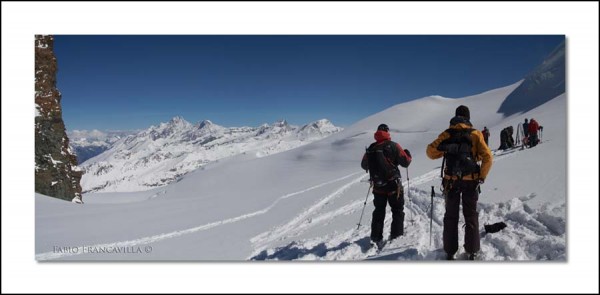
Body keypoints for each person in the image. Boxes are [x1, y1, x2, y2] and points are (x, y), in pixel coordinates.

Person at [426, 105, 492, 260]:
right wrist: (481, 176)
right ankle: (472, 250)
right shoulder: (475, 134)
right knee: (471, 215)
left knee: (450, 216)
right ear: (468, 118)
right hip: (471, 182)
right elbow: (488, 157)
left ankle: (450, 250)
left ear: (455, 117)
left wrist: (447, 147)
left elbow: (430, 152)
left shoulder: (447, 133)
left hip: (451, 182)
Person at [361, 123, 412, 247]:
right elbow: (405, 162)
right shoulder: (394, 146)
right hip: (393, 186)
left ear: (377, 133)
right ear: (387, 132)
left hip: (378, 186)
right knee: (397, 210)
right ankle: (396, 236)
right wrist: (408, 154)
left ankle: (375, 237)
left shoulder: (371, 148)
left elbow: (364, 165)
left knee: (379, 211)